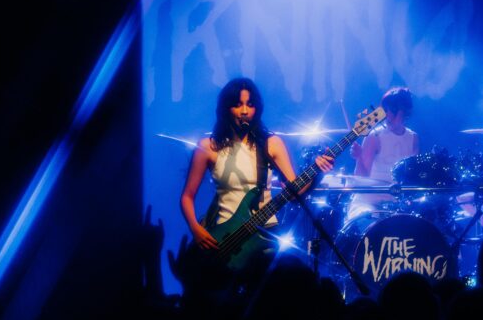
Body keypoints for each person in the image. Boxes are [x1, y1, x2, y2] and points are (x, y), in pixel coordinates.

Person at [180, 77, 334, 262]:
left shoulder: (271, 144)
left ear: (257, 109)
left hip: (265, 234)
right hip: (224, 236)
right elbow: (187, 196)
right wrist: (195, 229)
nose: (245, 111)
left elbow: (294, 193)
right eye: (238, 105)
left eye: (250, 105)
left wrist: (317, 172)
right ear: (226, 108)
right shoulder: (208, 147)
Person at [346, 86, 420, 219]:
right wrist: (359, 158)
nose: (388, 116)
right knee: (368, 220)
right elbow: (361, 177)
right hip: (369, 201)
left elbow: (411, 178)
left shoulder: (413, 138)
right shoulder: (374, 136)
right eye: (386, 110)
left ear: (405, 112)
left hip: (397, 204)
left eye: (394, 110)